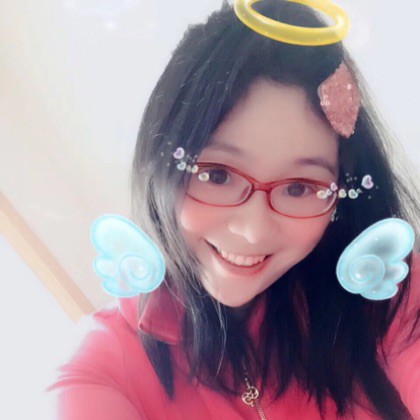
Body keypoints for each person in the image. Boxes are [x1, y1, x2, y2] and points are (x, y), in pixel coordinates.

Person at [47, 1, 420, 419]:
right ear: (160, 163)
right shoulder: (102, 371)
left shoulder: (387, 293)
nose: (254, 230)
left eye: (299, 187)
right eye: (218, 175)